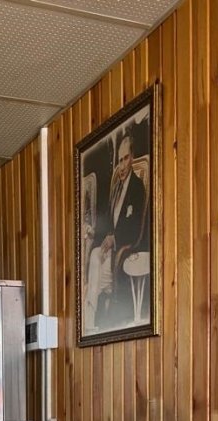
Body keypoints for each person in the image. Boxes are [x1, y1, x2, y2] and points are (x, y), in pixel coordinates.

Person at [84, 132, 148, 332]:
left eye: (125, 159)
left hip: (125, 248)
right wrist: (98, 234)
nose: (121, 165)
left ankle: (90, 316)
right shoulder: (116, 189)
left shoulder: (137, 188)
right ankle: (89, 316)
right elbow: (108, 220)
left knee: (96, 265)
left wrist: (115, 239)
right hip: (109, 251)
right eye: (119, 160)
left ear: (132, 157)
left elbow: (137, 226)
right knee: (95, 254)